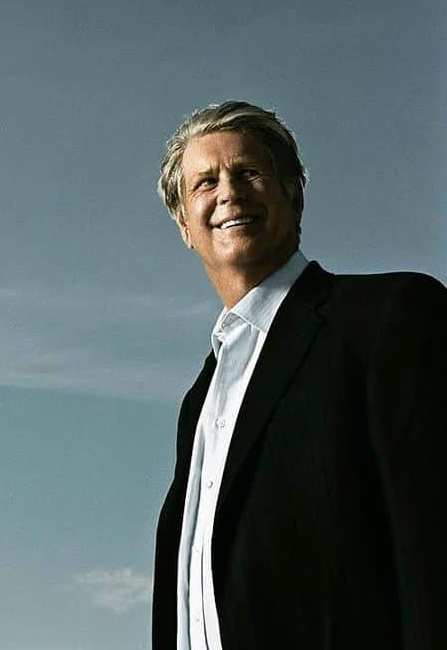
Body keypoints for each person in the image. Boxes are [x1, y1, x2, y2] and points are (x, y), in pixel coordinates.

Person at [150, 100, 446, 650]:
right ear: (186, 227)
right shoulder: (200, 401)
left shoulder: (389, 318)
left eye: (249, 172)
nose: (229, 193)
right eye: (205, 183)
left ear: (293, 193)